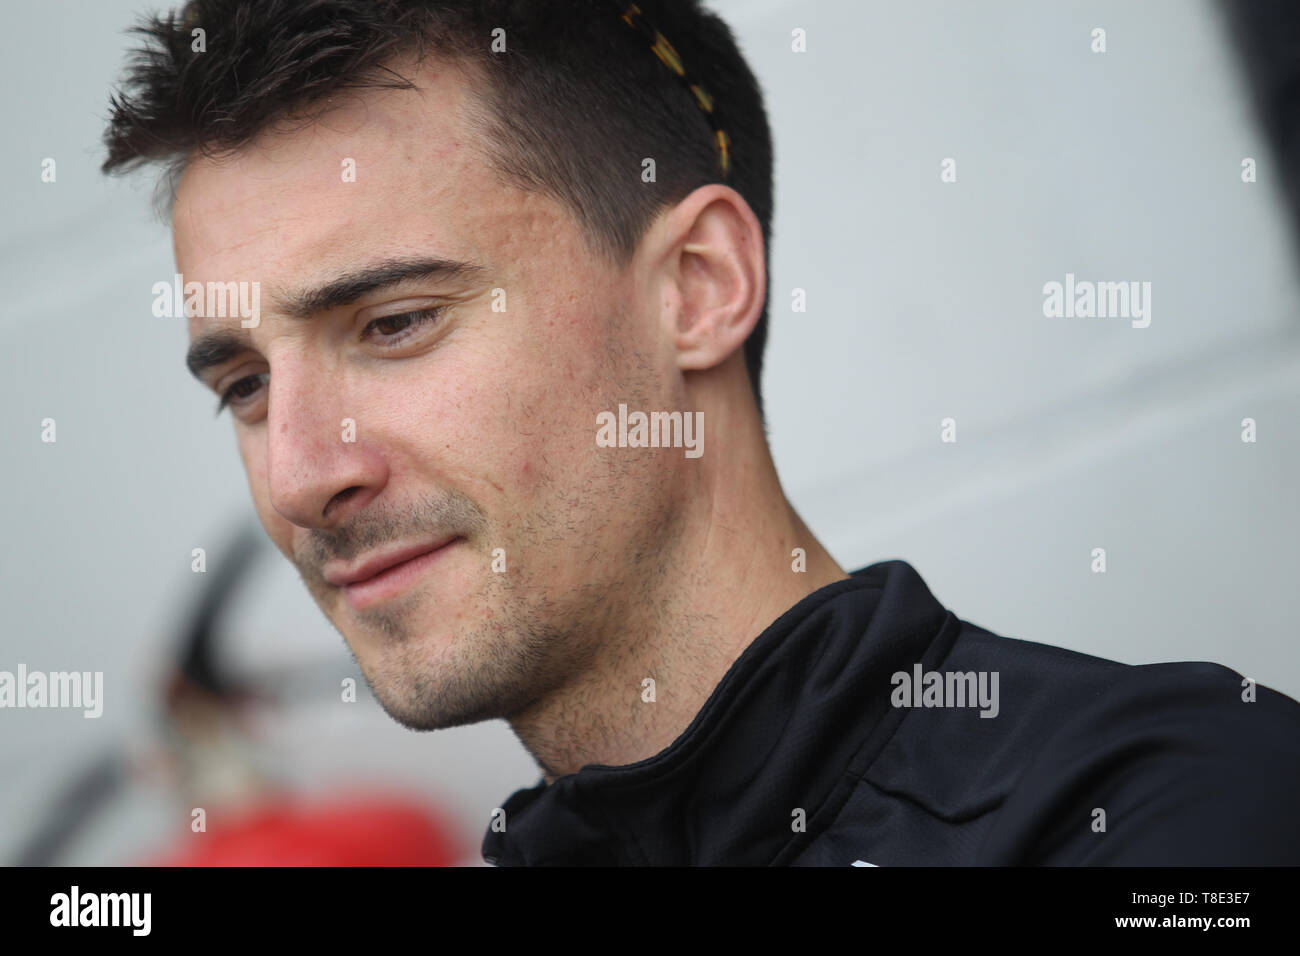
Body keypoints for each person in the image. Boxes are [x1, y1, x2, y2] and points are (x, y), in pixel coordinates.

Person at [102, 0, 1300, 865]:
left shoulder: (1170, 811)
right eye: (246, 386)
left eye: (396, 322)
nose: (302, 472)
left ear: (697, 286)